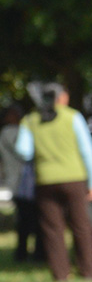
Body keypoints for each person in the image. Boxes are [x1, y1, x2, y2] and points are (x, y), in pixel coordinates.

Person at [13, 85, 92, 281]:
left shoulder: (30, 119)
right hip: (74, 178)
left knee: (52, 230)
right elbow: (88, 151)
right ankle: (88, 271)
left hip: (45, 180)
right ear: (61, 98)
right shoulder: (72, 117)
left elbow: (23, 151)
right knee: (81, 226)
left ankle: (60, 275)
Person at [1, 103, 36, 264]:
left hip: (20, 182)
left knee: (26, 219)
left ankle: (24, 253)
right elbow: (24, 151)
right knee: (25, 220)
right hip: (21, 183)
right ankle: (22, 253)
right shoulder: (11, 132)